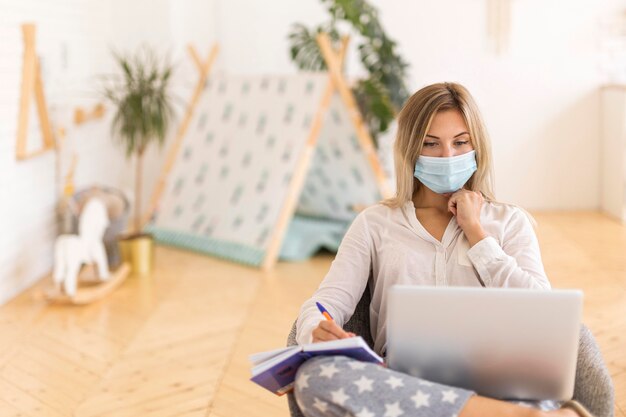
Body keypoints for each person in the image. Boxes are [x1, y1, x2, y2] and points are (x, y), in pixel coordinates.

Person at [293, 82, 593, 417]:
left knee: (535, 395)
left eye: (460, 142)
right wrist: (314, 327)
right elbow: (326, 301)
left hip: (499, 383)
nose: (448, 156)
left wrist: (477, 235)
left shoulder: (509, 221)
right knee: (314, 378)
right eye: (431, 144)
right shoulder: (374, 223)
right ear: (411, 150)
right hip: (403, 387)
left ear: (477, 146)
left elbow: (542, 312)